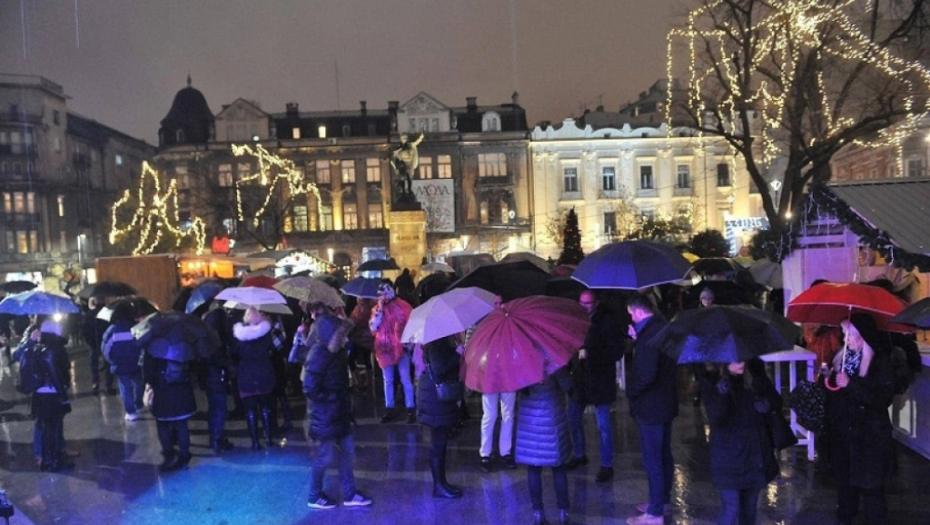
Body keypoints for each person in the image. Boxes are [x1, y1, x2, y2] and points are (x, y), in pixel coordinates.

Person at [825, 314, 896, 525]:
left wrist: (851, 384)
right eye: (844, 333)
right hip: (844, 435)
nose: (845, 339)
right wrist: (828, 379)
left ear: (862, 336)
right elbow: (835, 395)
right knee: (845, 487)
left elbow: (881, 398)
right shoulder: (841, 357)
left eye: (850, 334)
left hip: (869, 438)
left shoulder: (879, 362)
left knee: (871, 489)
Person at [699, 359, 781, 525]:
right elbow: (715, 416)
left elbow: (775, 400)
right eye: (735, 358)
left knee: (749, 508)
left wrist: (767, 404)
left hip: (755, 452)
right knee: (731, 507)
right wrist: (724, 387)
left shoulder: (755, 371)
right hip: (728, 456)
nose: (741, 361)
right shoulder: (711, 378)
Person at [304, 314, 372, 510]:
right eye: (341, 335)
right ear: (331, 337)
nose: (346, 339)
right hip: (325, 416)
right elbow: (310, 389)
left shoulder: (336, 351)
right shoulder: (318, 354)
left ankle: (350, 494)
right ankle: (314, 495)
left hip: (339, 413)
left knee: (347, 453)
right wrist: (331, 398)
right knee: (324, 457)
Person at [626, 294, 678, 525]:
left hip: (651, 406)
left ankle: (655, 513)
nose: (630, 317)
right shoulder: (661, 327)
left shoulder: (650, 336)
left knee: (653, 459)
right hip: (665, 402)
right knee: (664, 455)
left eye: (630, 314)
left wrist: (630, 391)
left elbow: (646, 373)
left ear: (637, 311)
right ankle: (661, 501)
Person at [565, 290, 624, 483]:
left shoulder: (607, 322)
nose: (584, 307)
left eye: (588, 303)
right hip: (581, 379)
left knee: (604, 425)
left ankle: (607, 464)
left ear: (596, 303)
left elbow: (616, 351)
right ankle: (580, 453)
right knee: (573, 417)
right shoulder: (575, 321)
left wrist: (592, 354)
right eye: (581, 303)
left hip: (600, 379)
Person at [515, 365, 573, 525]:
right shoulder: (552, 356)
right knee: (558, 467)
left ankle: (538, 515)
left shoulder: (520, 358)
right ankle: (563, 514)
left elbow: (516, 386)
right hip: (551, 417)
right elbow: (568, 385)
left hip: (529, 421)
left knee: (533, 469)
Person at [140, 320, 197, 472]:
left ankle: (169, 455)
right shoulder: (185, 345)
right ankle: (185, 457)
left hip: (162, 393)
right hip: (182, 393)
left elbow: (148, 373)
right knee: (182, 426)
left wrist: (149, 385)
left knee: (163, 426)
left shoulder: (152, 347)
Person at [414, 335, 465, 498]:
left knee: (439, 444)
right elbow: (439, 369)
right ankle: (439, 486)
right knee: (438, 445)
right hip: (434, 399)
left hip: (434, 399)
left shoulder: (436, 342)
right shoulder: (436, 343)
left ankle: (441, 483)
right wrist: (458, 353)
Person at [477, 295, 516, 473]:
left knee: (508, 415)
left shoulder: (511, 324)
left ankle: (505, 452)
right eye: (496, 303)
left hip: (508, 374)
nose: (499, 306)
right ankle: (485, 453)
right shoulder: (483, 325)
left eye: (501, 302)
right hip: (490, 375)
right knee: (490, 415)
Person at [369, 282, 416, 423]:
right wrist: (381, 309)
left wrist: (409, 345)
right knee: (388, 380)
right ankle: (390, 407)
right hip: (385, 348)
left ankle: (410, 408)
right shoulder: (377, 309)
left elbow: (411, 325)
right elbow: (373, 326)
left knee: (405, 378)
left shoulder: (403, 306)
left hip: (401, 347)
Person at [29, 320, 73, 472]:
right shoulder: (55, 348)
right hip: (53, 393)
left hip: (39, 394)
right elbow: (58, 372)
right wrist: (63, 395)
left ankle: (47, 457)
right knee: (52, 428)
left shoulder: (37, 347)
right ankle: (52, 460)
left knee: (46, 426)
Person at [231, 307, 277, 450]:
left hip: (246, 374)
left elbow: (234, 353)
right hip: (264, 372)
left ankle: (255, 442)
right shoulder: (265, 333)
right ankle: (268, 439)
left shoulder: (239, 336)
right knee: (265, 408)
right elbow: (273, 349)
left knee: (250, 410)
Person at [101, 301, 145, 422]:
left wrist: (112, 361)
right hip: (136, 362)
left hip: (120, 364)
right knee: (138, 383)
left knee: (125, 388)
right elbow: (143, 344)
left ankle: (131, 412)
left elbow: (105, 349)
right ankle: (139, 405)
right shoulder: (136, 328)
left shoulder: (112, 330)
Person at [83, 296, 114, 395]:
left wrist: (90, 342)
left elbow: (85, 330)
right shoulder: (107, 313)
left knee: (94, 363)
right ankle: (109, 385)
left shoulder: (89, 314)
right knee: (108, 363)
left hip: (93, 343)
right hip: (106, 342)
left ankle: (95, 382)